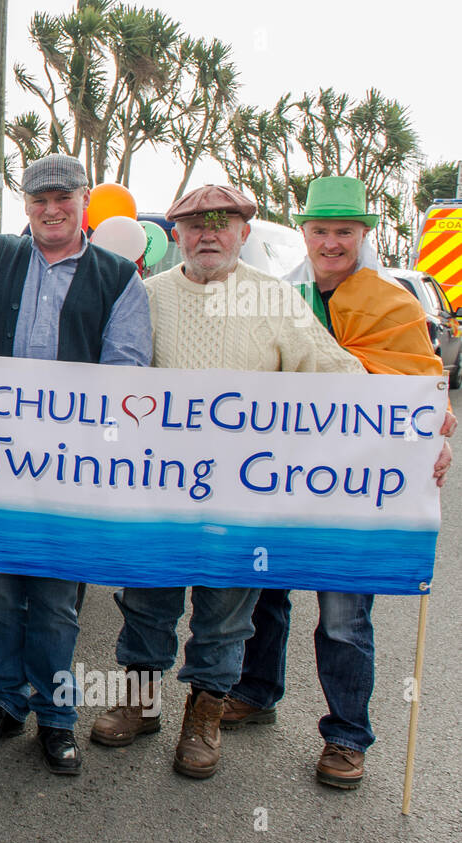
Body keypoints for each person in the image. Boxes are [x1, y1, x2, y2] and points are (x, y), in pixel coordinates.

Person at [89, 184, 366, 779]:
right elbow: (107, 378)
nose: (208, 234)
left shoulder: (276, 300)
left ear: (244, 231)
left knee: (225, 612)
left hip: (243, 496)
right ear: (177, 235)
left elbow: (336, 372)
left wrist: (413, 414)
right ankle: (141, 704)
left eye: (222, 224)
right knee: (147, 602)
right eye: (195, 225)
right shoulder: (146, 296)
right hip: (158, 489)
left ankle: (205, 714)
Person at [222, 175, 455, 789]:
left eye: (343, 232)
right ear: (305, 232)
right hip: (278, 476)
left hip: (353, 485)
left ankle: (347, 736)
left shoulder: (393, 304)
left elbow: (419, 388)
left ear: (363, 236)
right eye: (321, 230)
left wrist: (435, 439)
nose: (330, 242)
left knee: (344, 614)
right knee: (264, 593)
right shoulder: (277, 297)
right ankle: (255, 690)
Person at [0, 154, 152, 775]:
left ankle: (57, 718)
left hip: (72, 472)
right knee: (1, 596)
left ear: (84, 201)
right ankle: (4, 703)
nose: (51, 209)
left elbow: (128, 371)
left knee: (58, 602)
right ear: (26, 205)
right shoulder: (2, 254)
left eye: (63, 198)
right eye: (39, 200)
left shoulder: (118, 278)